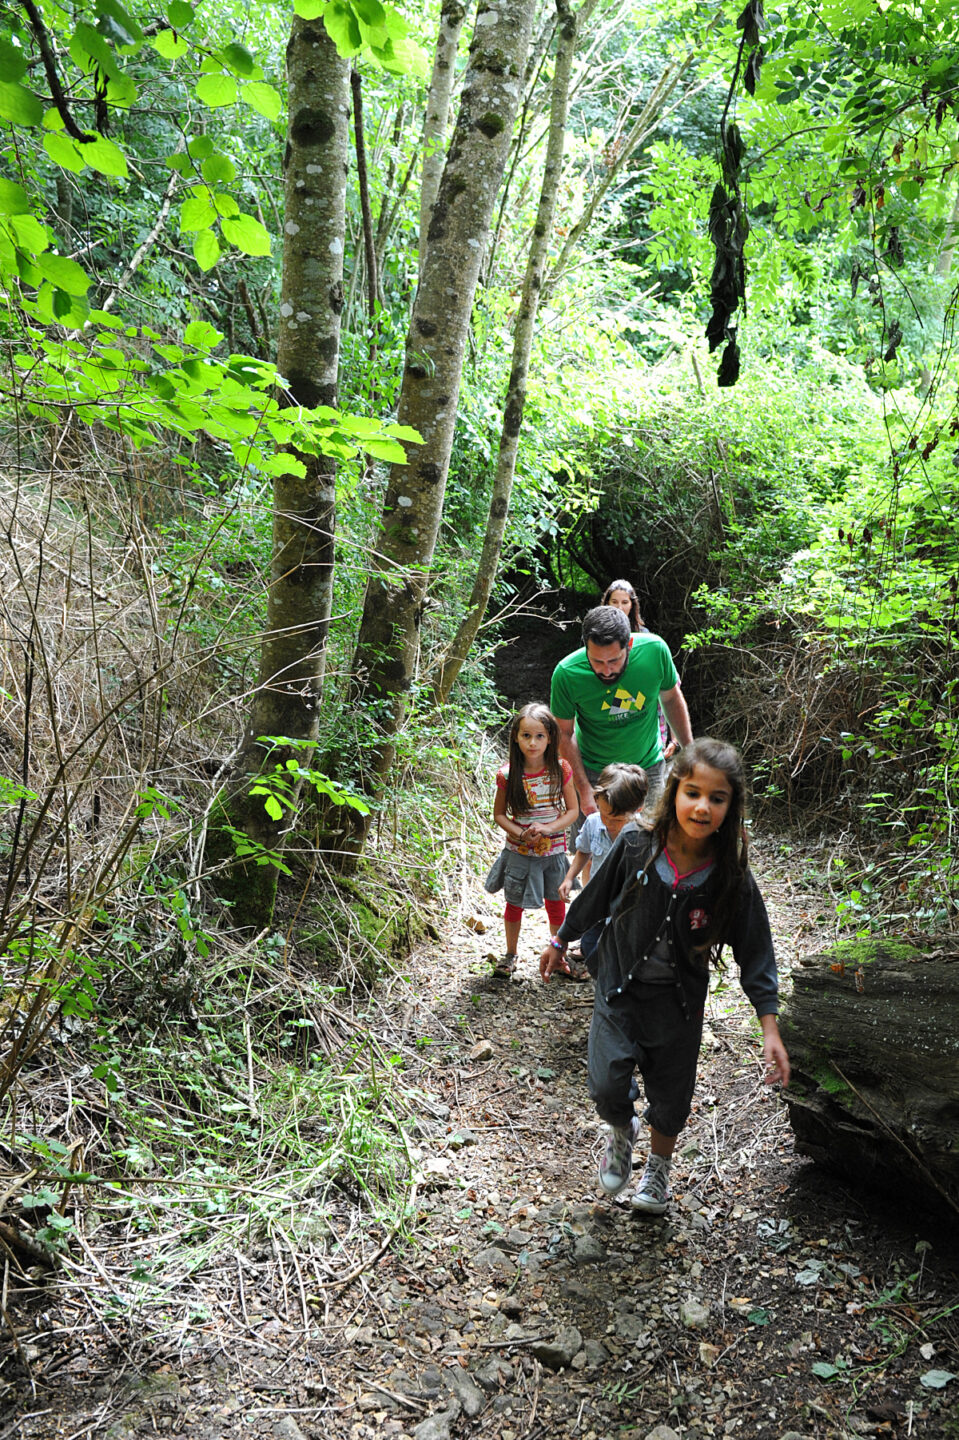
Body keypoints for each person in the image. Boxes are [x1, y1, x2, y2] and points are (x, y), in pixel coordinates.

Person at [538, 738, 790, 1215]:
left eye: (717, 798)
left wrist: (769, 1026)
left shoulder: (730, 875)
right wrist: (559, 940)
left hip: (678, 1003)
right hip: (617, 988)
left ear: (731, 807)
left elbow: (756, 951)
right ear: (674, 790)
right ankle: (620, 1131)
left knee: (672, 1093)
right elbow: (595, 898)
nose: (702, 806)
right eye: (693, 792)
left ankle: (657, 1169)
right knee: (608, 1086)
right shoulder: (636, 843)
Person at [550, 604, 692, 826]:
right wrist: (584, 788)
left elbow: (671, 699)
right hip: (595, 773)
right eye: (597, 661)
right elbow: (564, 734)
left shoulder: (654, 651)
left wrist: (691, 751)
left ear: (630, 644)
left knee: (651, 846)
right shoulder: (567, 674)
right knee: (594, 850)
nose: (606, 671)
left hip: (648, 767)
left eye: (614, 660)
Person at [484, 703, 578, 980]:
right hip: (519, 851)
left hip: (554, 850)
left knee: (555, 901)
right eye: (526, 735)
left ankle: (557, 953)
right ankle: (510, 954)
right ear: (515, 737)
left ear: (550, 737)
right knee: (514, 902)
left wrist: (549, 827)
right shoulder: (508, 773)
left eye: (539, 736)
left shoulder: (561, 769)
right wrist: (519, 832)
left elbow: (572, 811)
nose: (533, 742)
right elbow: (499, 814)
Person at [558, 763, 649, 975]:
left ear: (638, 809)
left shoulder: (644, 835)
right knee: (591, 945)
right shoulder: (592, 823)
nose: (608, 822)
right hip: (598, 904)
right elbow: (583, 852)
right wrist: (569, 878)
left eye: (616, 819)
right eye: (604, 814)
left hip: (628, 907)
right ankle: (604, 979)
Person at [601, 579, 677, 761]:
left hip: (644, 709)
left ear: (632, 605)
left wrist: (674, 739)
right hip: (609, 711)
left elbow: (668, 686)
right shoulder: (596, 636)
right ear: (606, 603)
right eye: (614, 602)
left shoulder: (645, 637)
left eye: (624, 602)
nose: (619, 607)